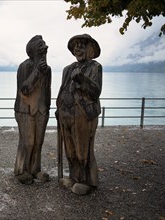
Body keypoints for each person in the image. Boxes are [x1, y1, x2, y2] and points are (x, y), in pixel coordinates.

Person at [56, 34, 102, 195]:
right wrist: (58, 107)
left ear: (90, 49)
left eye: (82, 45)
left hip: (83, 114)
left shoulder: (95, 67)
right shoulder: (67, 69)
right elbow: (62, 89)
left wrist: (82, 79)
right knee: (69, 149)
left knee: (83, 150)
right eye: (76, 46)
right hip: (66, 113)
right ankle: (74, 177)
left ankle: (87, 181)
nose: (78, 48)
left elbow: (95, 92)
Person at [14, 35, 52, 184]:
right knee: (27, 141)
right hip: (25, 110)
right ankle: (21, 170)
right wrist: (37, 71)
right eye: (41, 46)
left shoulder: (47, 70)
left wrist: (48, 108)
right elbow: (24, 89)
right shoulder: (25, 66)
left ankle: (35, 169)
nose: (45, 48)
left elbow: (47, 90)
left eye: (45, 45)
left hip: (41, 110)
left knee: (38, 142)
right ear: (32, 51)